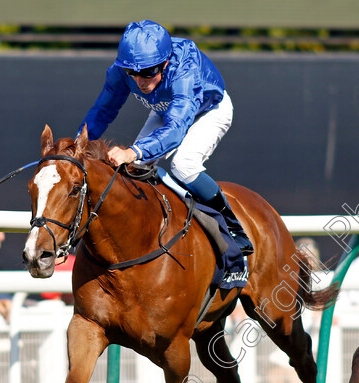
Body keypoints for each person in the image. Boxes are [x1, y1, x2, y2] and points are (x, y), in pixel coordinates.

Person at [78, 20, 253, 255]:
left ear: (166, 62)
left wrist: (133, 151)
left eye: (148, 72)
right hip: (166, 110)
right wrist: (78, 143)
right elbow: (103, 110)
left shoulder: (185, 69)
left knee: (183, 165)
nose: (140, 81)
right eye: (132, 73)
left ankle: (233, 228)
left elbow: (176, 128)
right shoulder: (123, 69)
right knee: (136, 169)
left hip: (210, 110)